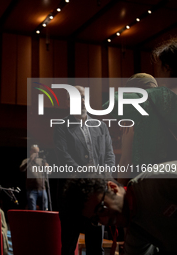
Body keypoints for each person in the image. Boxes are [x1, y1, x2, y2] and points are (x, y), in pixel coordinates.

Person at [53, 85, 116, 255]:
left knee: (96, 248)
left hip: (96, 197)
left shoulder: (101, 126)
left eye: (83, 97)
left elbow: (110, 157)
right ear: (67, 102)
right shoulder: (60, 127)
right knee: (68, 246)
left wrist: (102, 178)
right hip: (71, 196)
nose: (80, 100)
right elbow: (64, 159)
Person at [62, 168, 177, 255]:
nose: (105, 221)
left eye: (101, 209)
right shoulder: (135, 232)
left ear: (112, 187)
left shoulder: (161, 181)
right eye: (96, 219)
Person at [103, 39, 177, 168]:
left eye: (158, 66)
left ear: (167, 67)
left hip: (159, 178)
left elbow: (110, 103)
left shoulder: (154, 99)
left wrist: (132, 111)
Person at [19, 144, 49, 210]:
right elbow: (21, 169)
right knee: (32, 209)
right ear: (30, 152)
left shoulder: (42, 161)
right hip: (31, 190)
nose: (37, 154)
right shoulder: (26, 160)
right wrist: (30, 160)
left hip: (42, 189)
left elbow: (49, 172)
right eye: (35, 152)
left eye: (38, 152)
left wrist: (47, 168)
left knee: (44, 209)